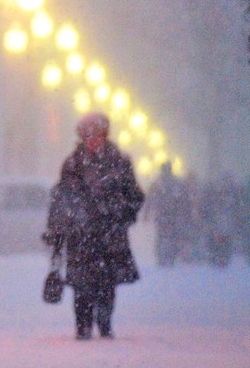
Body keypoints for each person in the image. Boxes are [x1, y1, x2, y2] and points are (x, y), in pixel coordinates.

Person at [44, 112, 144, 340]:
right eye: (88, 135)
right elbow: (61, 198)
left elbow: (135, 196)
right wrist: (59, 228)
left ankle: (105, 323)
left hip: (110, 234)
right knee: (82, 284)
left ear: (105, 135)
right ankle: (83, 326)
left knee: (107, 283)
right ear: (81, 137)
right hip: (81, 235)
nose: (93, 140)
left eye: (97, 135)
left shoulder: (119, 161)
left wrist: (122, 215)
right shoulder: (72, 164)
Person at [147, 162, 190, 267]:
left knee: (162, 236)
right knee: (172, 236)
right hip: (172, 215)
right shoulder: (177, 182)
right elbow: (184, 200)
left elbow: (150, 198)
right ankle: (170, 256)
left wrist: (147, 212)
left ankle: (163, 257)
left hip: (163, 215)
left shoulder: (157, 182)